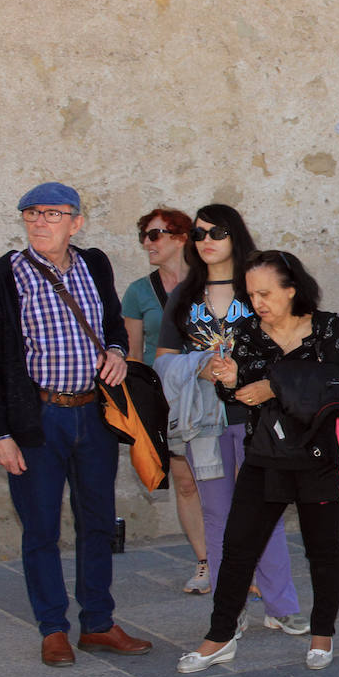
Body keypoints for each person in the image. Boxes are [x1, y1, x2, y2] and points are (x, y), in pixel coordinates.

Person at [0, 182, 152, 666]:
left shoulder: (95, 264)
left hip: (93, 414)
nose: (40, 222)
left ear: (76, 222)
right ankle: (53, 628)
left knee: (97, 524)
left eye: (52, 214)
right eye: (31, 213)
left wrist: (115, 351)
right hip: (37, 421)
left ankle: (98, 623)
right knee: (41, 528)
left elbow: (113, 323)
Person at [177, 251, 339, 673]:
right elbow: (236, 392)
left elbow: (334, 381)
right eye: (251, 294)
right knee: (237, 547)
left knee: (323, 550)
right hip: (266, 454)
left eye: (266, 293)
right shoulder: (248, 331)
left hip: (316, 455)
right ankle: (219, 637)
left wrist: (270, 386)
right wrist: (228, 379)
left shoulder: (327, 326)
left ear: (292, 290)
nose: (258, 302)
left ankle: (322, 633)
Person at [156, 205, 309, 636]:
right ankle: (230, 610)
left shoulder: (257, 289)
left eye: (217, 231)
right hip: (204, 422)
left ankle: (280, 605)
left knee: (266, 511)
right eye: (200, 232)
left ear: (235, 235)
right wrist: (199, 364)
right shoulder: (183, 297)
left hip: (259, 416)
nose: (206, 239)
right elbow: (163, 361)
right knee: (218, 514)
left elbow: (292, 346)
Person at [121, 207, 210, 595]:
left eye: (154, 235)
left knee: (228, 480)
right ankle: (206, 562)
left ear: (180, 238)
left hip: (213, 395)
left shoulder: (212, 283)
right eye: (144, 235)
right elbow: (132, 357)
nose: (147, 243)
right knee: (185, 481)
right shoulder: (139, 292)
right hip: (168, 399)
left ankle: (242, 563)